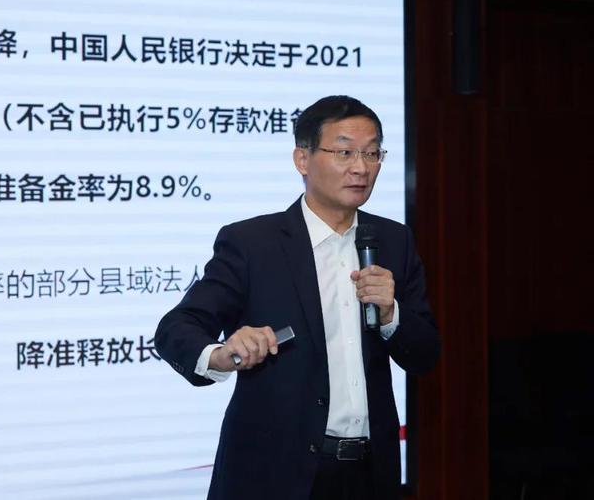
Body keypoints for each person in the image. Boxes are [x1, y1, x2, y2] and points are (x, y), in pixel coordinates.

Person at [154, 95, 439, 500]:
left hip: (370, 474)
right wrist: (221, 355)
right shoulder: (253, 243)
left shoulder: (394, 240)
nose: (361, 167)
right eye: (344, 152)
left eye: (372, 153)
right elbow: (176, 328)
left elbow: (426, 354)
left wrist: (392, 313)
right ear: (302, 159)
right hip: (275, 475)